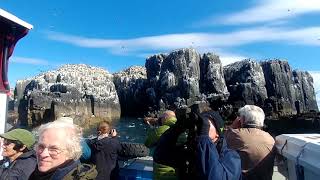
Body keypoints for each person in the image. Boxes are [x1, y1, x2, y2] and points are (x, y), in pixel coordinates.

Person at [154, 109, 242, 180]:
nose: (201, 128)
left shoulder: (231, 157)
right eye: (200, 126)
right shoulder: (192, 152)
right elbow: (161, 155)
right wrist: (178, 128)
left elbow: (214, 177)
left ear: (218, 133)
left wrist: (204, 137)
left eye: (206, 125)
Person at [29, 121, 97, 180]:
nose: (43, 154)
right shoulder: (38, 174)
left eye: (54, 149)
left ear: (71, 152)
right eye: (41, 146)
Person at [225, 105, 276, 180]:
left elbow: (220, 135)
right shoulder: (270, 138)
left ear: (242, 119)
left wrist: (232, 125)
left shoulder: (235, 134)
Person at [144, 110, 181, 180]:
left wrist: (151, 129)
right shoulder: (181, 127)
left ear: (166, 118)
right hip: (178, 168)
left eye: (161, 118)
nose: (160, 120)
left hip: (162, 169)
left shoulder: (162, 129)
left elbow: (148, 143)